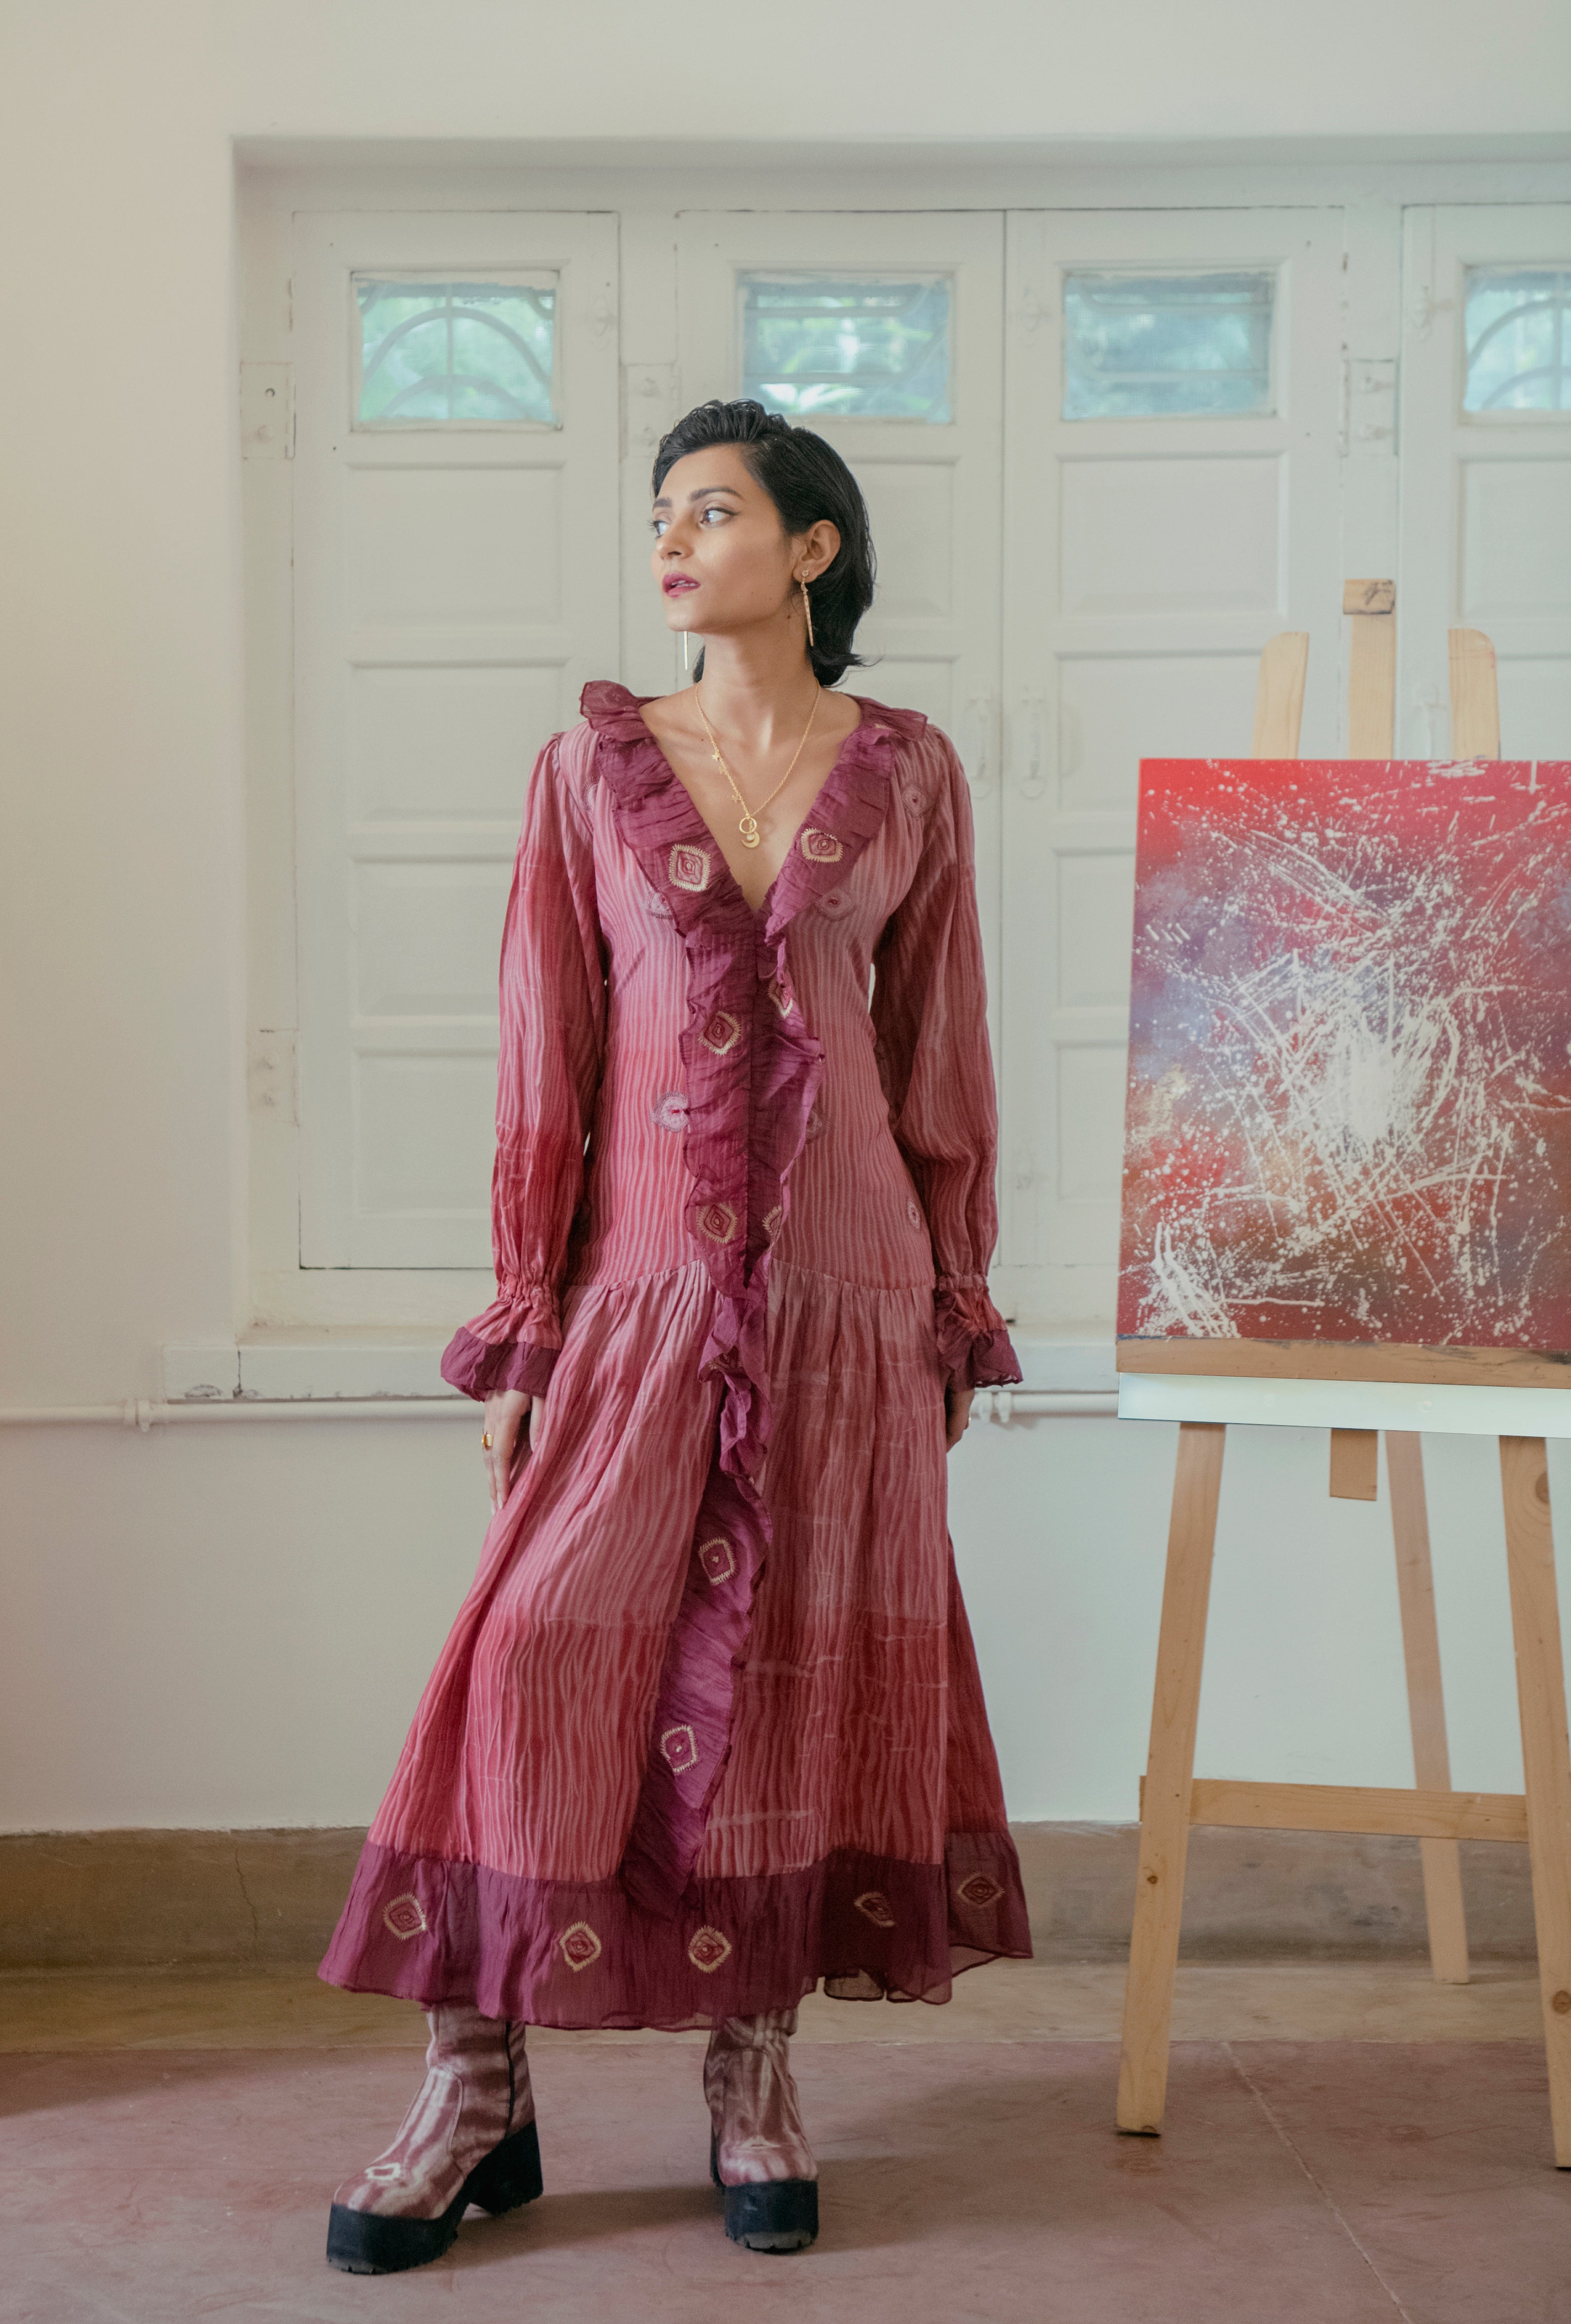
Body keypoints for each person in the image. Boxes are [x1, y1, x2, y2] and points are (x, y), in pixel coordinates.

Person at [317, 398, 1029, 2275]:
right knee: (530, 1657)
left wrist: (953, 1304)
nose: (671, 542)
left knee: (802, 1676)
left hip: (845, 1298)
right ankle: (475, 2088)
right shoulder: (592, 767)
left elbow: (936, 1055)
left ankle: (753, 2076)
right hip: (638, 1289)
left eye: (712, 512)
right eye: (662, 515)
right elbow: (543, 1055)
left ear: (812, 549)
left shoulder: (912, 772)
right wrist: (527, 1321)